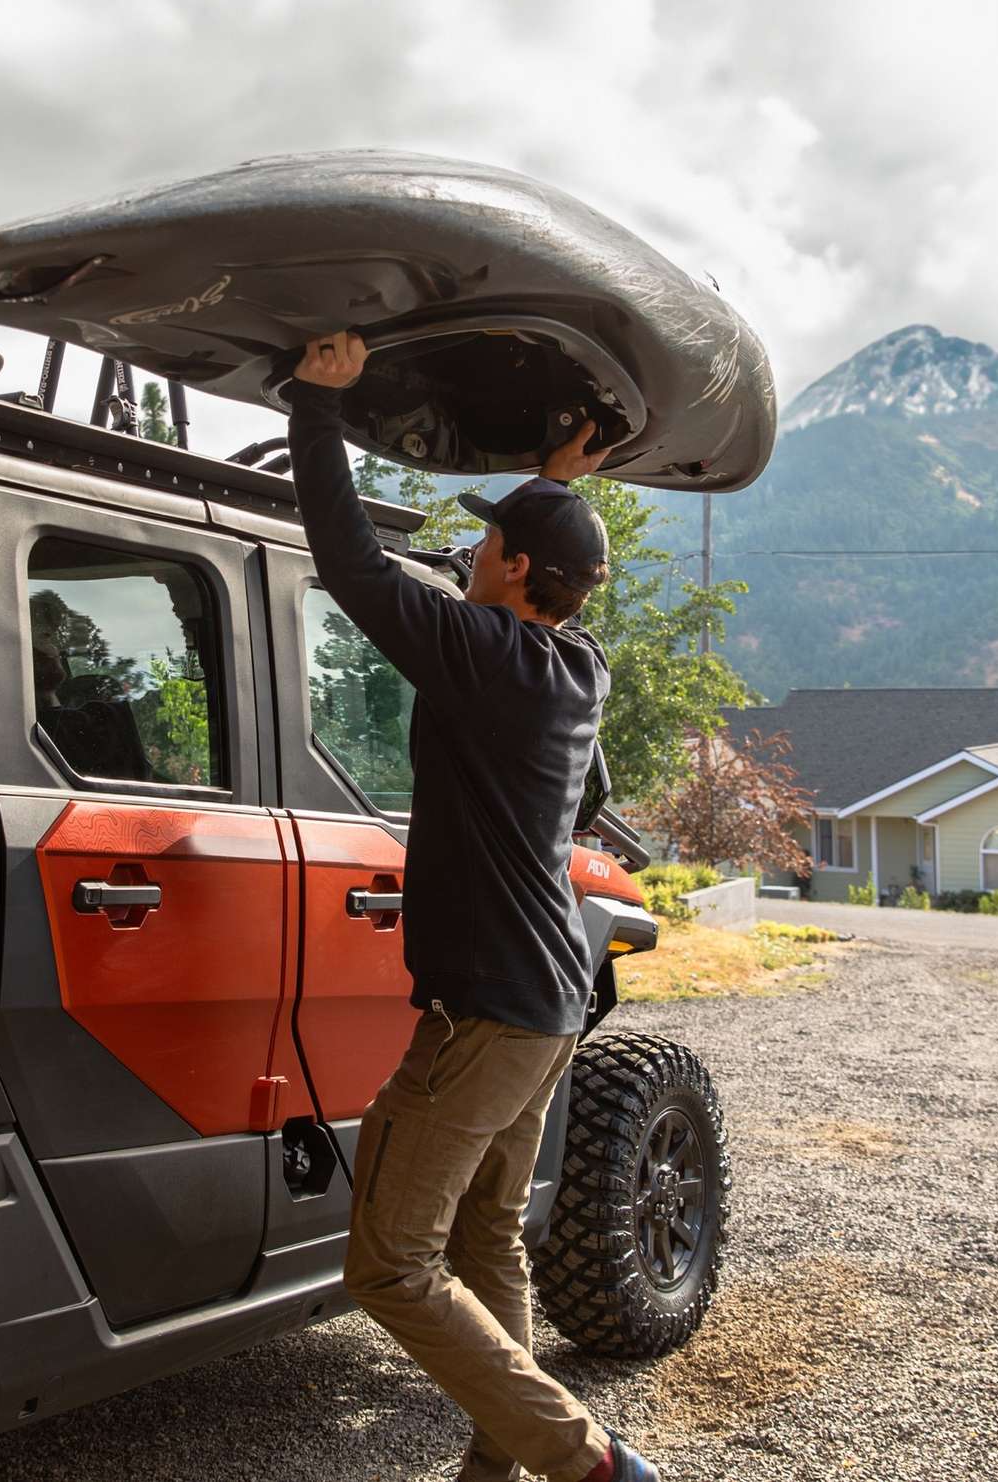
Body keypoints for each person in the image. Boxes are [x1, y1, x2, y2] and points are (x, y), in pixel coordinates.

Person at [288, 330, 660, 1482]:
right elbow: (544, 591)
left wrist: (317, 403)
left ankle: (591, 1462)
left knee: (390, 1265)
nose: (467, 551)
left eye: (485, 540)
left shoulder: (480, 651)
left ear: (510, 568)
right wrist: (550, 486)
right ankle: (498, 1472)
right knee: (485, 1230)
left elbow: (352, 564)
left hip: (488, 1013)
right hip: (548, 1004)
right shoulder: (575, 665)